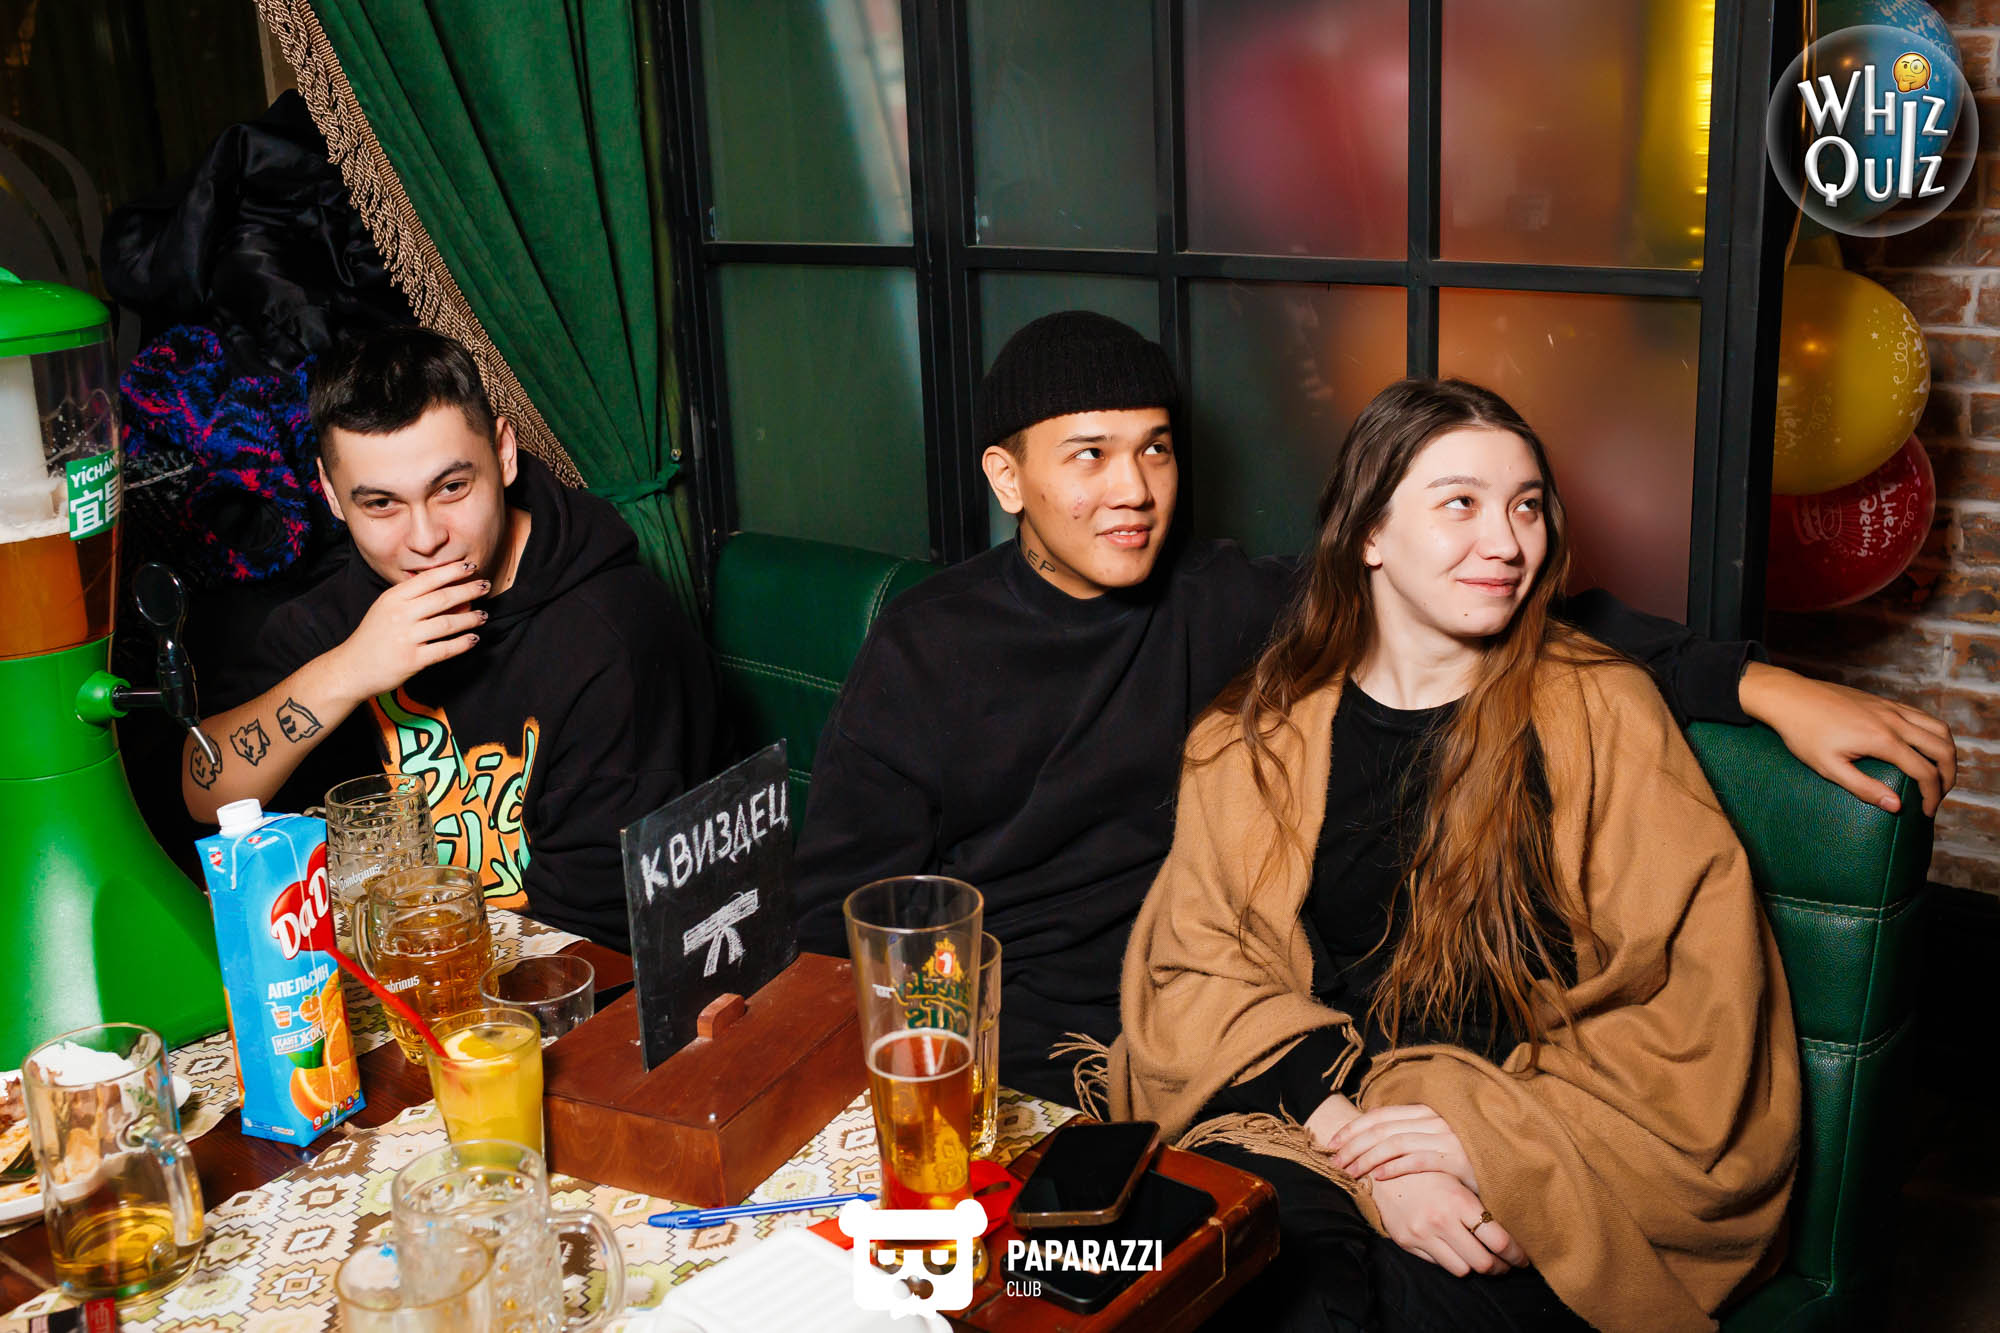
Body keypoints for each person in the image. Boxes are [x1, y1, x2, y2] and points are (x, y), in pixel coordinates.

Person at [792, 311, 1953, 1105]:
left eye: (1154, 450)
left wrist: (1754, 682)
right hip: (997, 1047)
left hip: (1202, 1026)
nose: (1132, 490)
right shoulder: (925, 644)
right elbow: (843, 913)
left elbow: (1493, 603)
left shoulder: (1224, 599)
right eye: (1087, 456)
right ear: (1007, 479)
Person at [1107, 378, 1799, 1332]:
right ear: (1370, 534)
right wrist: (1364, 1150)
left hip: (1541, 1136)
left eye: (1527, 506)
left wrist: (1482, 1144)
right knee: (1249, 1275)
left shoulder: (1604, 714)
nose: (1507, 542)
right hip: (1311, 1122)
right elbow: (1196, 970)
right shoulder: (1258, 737)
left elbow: (1693, 1001)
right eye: (1461, 503)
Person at [181, 327, 715, 949]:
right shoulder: (335, 616)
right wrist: (348, 671)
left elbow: (598, 945)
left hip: (565, 974)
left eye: (451, 488)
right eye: (381, 504)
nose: (425, 538)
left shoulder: (611, 634)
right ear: (331, 496)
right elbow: (205, 792)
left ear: (504, 454)